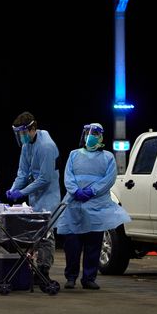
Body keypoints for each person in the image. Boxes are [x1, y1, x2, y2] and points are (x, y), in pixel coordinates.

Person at [56, 123, 131, 290]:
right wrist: (76, 191)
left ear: (101, 136)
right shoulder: (74, 155)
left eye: (96, 133)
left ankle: (89, 278)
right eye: (90, 133)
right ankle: (71, 277)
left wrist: (92, 191)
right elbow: (68, 176)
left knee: (93, 245)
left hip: (96, 207)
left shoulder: (108, 157)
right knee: (72, 246)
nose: (92, 135)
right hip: (75, 206)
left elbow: (109, 178)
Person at [6, 111, 61, 283]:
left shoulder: (46, 146)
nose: (21, 137)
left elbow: (44, 179)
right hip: (35, 194)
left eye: (23, 133)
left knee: (46, 234)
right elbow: (23, 172)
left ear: (32, 129)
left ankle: (44, 270)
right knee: (35, 234)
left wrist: (22, 192)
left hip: (48, 195)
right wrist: (13, 188)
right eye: (18, 134)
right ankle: (33, 268)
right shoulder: (26, 145)